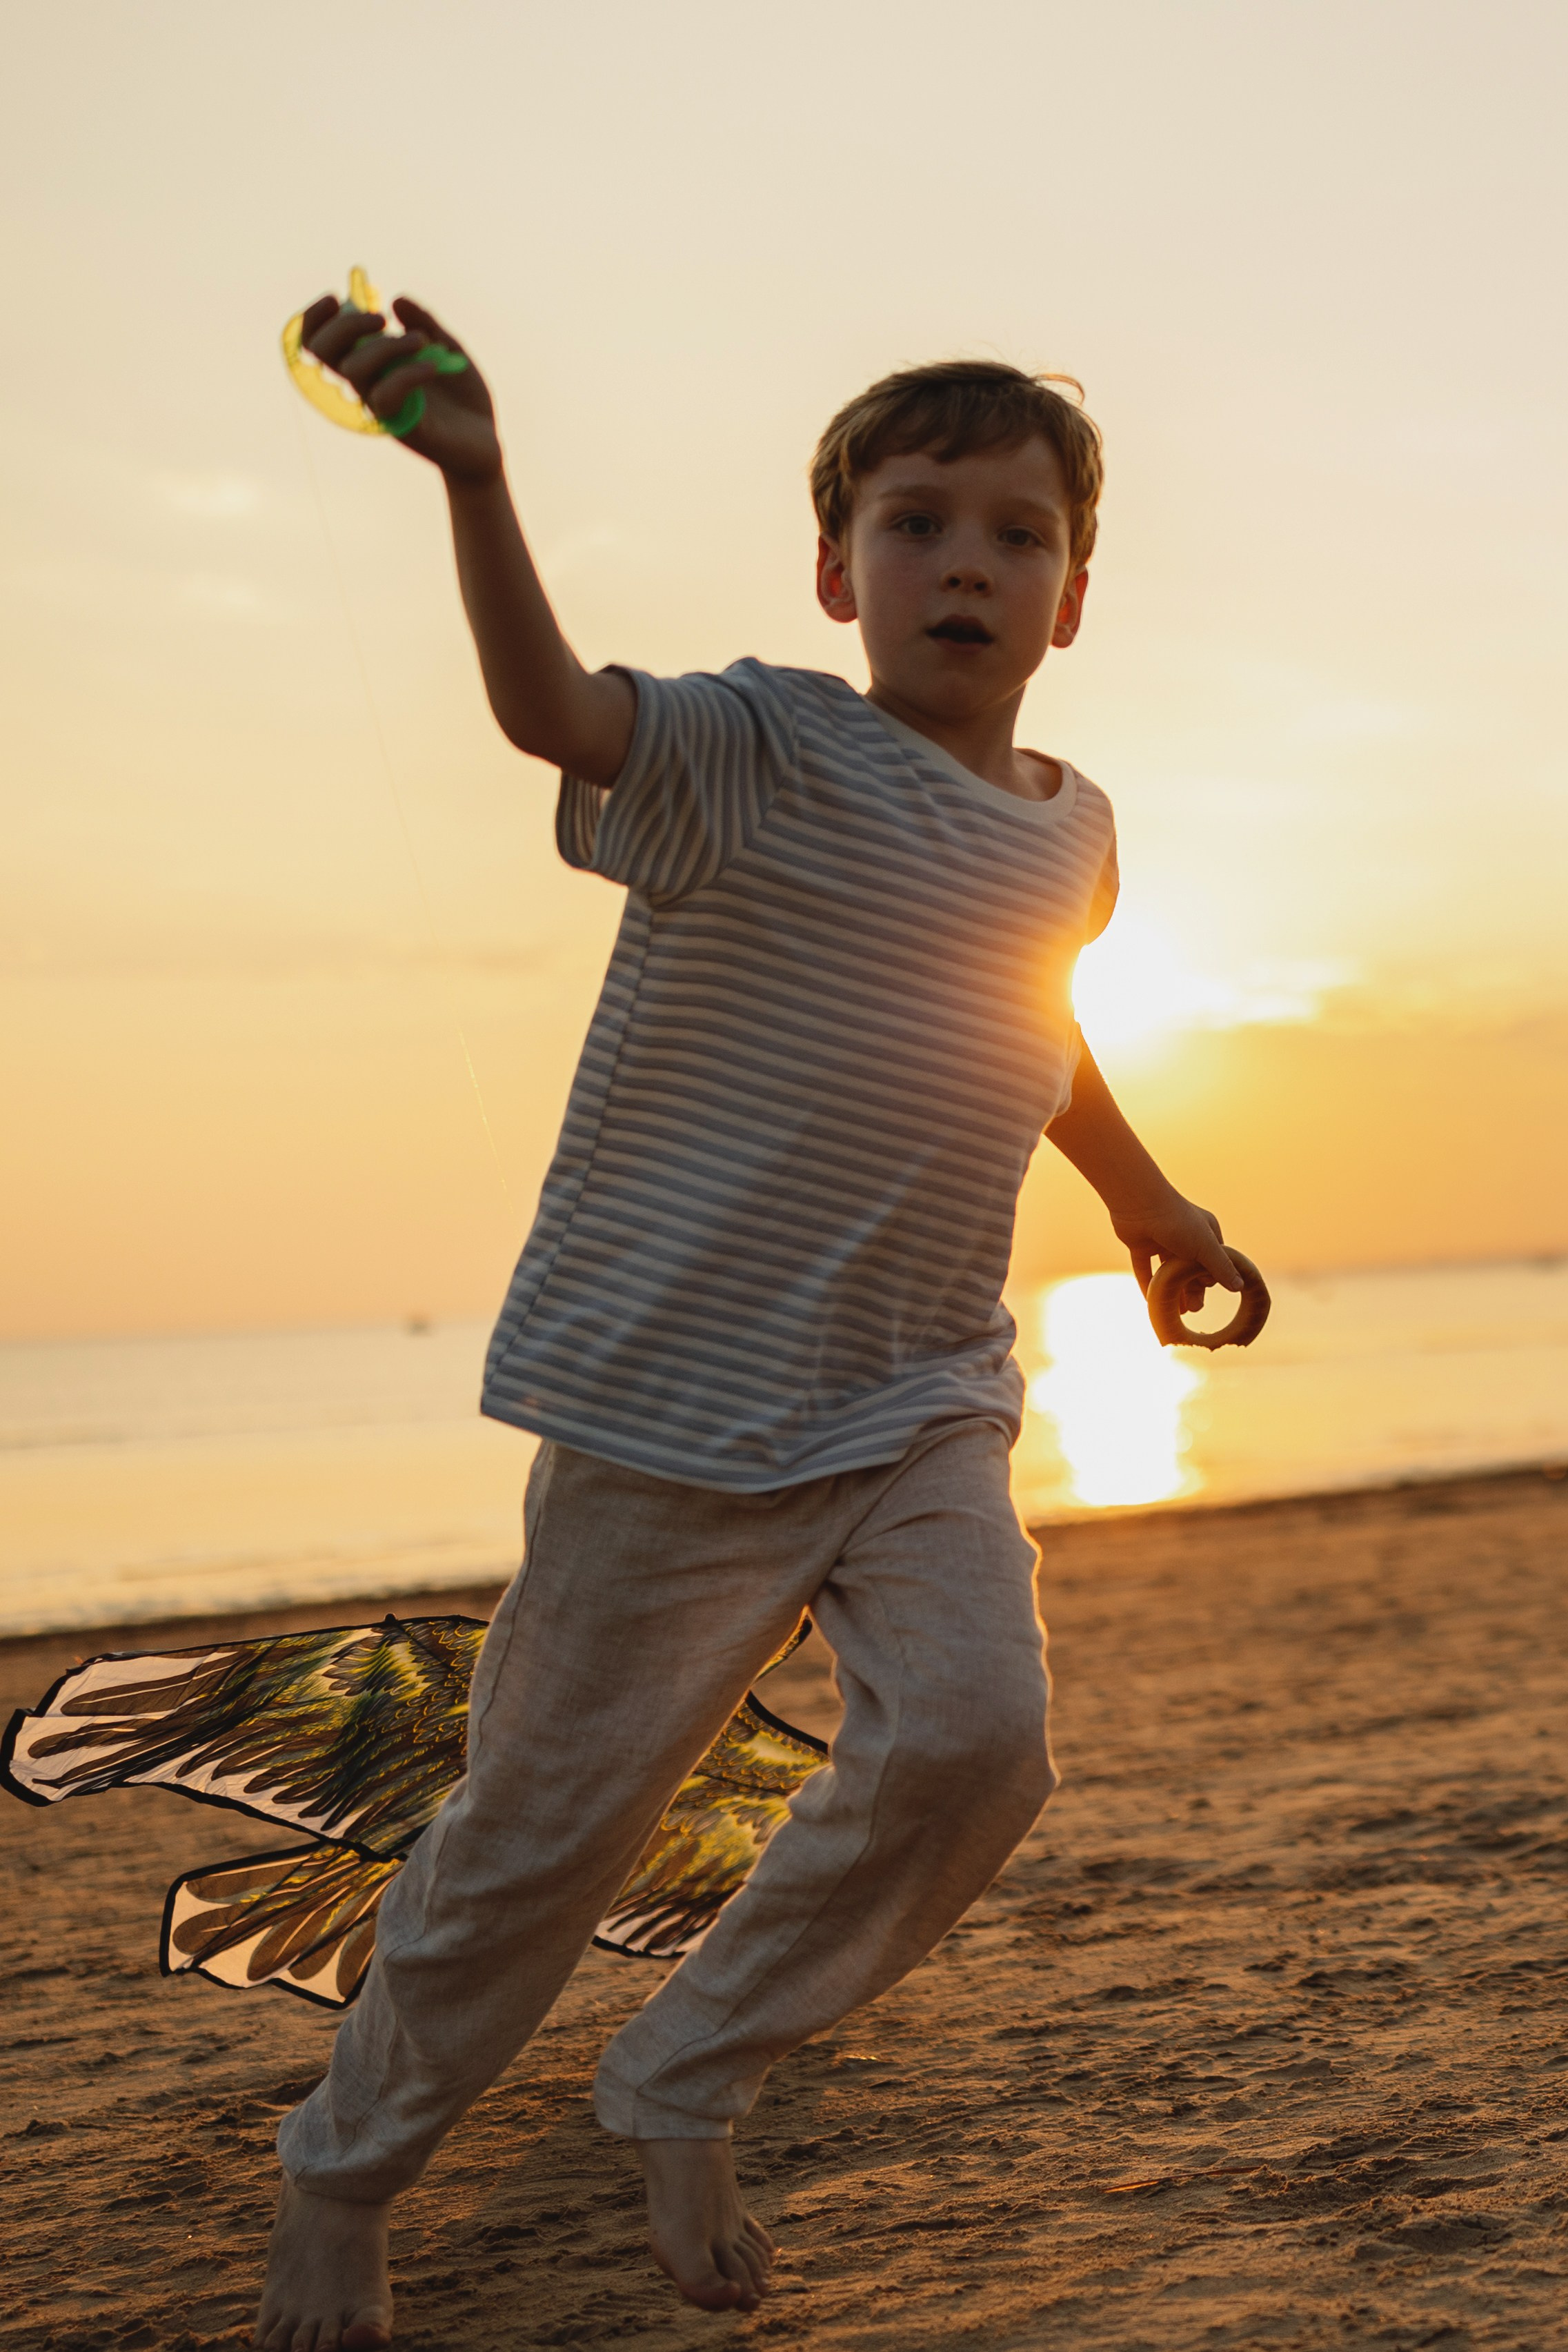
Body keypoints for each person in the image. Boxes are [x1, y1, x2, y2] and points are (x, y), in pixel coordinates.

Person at [255, 295, 1243, 2352]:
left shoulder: (1072, 826)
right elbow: (551, 714)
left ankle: (684, 2070)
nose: (963, 561)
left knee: (977, 1740)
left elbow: (1029, 1023)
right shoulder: (749, 745)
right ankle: (339, 2179)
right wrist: (472, 474)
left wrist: (1145, 1200)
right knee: (537, 1842)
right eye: (912, 522)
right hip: (666, 1406)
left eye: (1013, 533)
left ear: (1068, 597)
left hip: (916, 1390)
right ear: (834, 569)